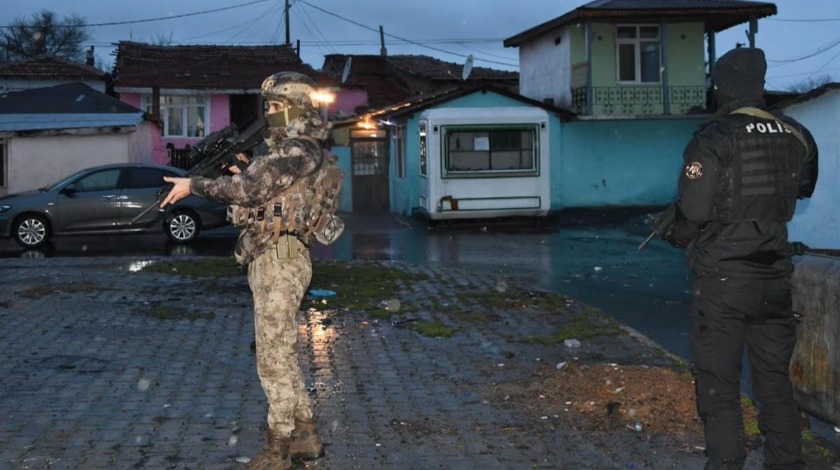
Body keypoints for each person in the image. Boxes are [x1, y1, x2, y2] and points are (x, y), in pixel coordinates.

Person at [161, 71, 344, 470]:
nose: (271, 114)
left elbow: (249, 192)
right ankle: (305, 435)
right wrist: (242, 170)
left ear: (297, 108)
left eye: (278, 107)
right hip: (273, 257)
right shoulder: (292, 151)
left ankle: (277, 450)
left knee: (272, 359)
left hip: (282, 261)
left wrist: (195, 185)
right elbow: (258, 187)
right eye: (270, 107)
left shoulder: (299, 150)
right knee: (281, 353)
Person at [656, 47, 818, 469]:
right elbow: (802, 189)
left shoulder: (714, 138)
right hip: (775, 278)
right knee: (774, 383)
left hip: (724, 281)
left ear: (722, 87)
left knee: (719, 386)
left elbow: (693, 212)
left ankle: (726, 463)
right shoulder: (797, 134)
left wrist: (673, 232)